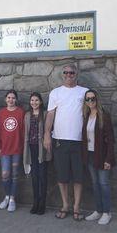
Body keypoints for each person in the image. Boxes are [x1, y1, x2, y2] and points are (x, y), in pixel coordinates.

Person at [43, 63, 88, 221]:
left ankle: (76, 207)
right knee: (62, 176)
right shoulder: (55, 93)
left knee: (78, 177)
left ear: (77, 74)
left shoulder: (84, 92)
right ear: (62, 74)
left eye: (72, 72)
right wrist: (47, 134)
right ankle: (65, 205)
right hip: (60, 140)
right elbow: (50, 115)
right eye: (66, 72)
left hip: (78, 141)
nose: (69, 75)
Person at [81, 89, 116, 225]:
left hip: (102, 156)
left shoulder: (104, 116)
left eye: (93, 98)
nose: (90, 101)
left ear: (97, 99)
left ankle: (107, 212)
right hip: (89, 155)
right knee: (95, 184)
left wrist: (109, 159)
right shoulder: (86, 115)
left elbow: (111, 140)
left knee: (103, 184)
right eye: (88, 99)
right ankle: (98, 210)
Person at [0, 90, 25, 212]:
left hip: (17, 148)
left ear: (16, 99)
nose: (11, 100)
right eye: (8, 97)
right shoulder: (1, 112)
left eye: (13, 98)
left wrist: (23, 148)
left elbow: (23, 131)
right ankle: (6, 196)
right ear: (5, 99)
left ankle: (12, 199)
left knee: (14, 175)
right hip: (5, 149)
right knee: (5, 174)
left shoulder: (21, 112)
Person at [23, 92, 52, 215]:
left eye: (36, 100)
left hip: (42, 149)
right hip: (31, 148)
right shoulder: (27, 115)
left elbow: (49, 131)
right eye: (32, 100)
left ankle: (42, 204)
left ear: (40, 102)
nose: (34, 102)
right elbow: (26, 133)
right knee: (34, 176)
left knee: (42, 177)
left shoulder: (45, 114)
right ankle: (35, 202)